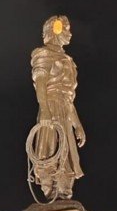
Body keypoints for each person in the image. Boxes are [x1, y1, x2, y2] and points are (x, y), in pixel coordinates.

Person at [29, 15, 86, 200]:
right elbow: (41, 84)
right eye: (65, 29)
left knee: (67, 151)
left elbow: (69, 99)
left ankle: (64, 190)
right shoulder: (44, 54)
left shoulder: (68, 61)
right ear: (54, 31)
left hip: (64, 107)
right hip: (51, 107)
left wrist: (77, 125)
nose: (69, 33)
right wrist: (45, 108)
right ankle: (48, 188)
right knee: (49, 147)